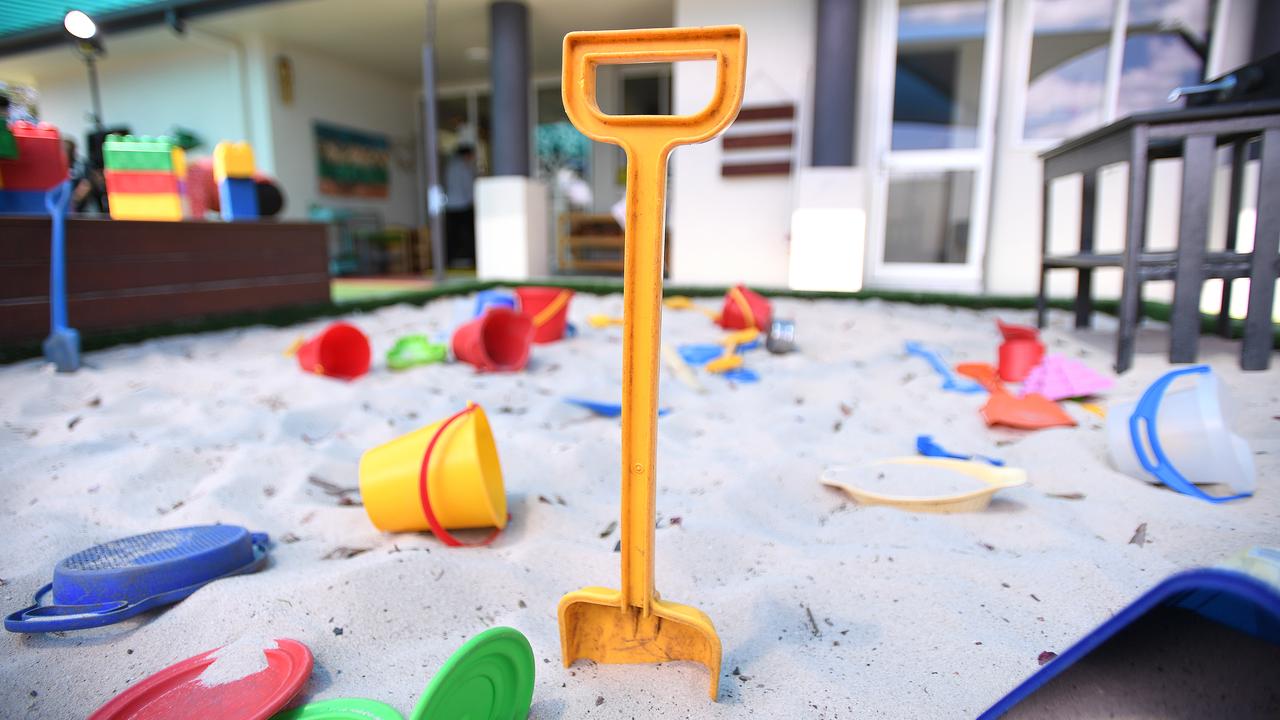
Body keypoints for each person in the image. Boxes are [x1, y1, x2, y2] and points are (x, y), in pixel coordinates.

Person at [444, 144, 477, 268]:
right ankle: (467, 259)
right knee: (466, 235)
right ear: (467, 155)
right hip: (463, 205)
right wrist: (473, 200)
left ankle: (450, 260)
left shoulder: (450, 166)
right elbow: (468, 187)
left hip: (450, 205)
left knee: (452, 235)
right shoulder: (464, 168)